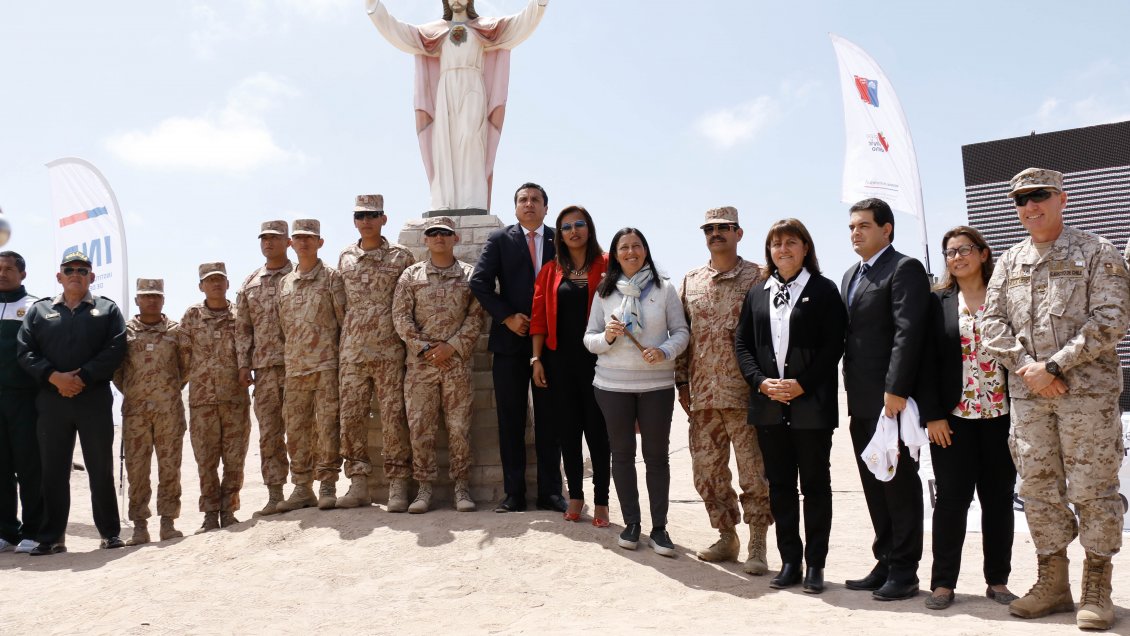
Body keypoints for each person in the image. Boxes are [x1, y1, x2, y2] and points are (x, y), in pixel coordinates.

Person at [982, 168, 1130, 630]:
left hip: (1086, 399)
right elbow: (991, 325)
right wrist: (1030, 369)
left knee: (1092, 490)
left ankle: (1096, 587)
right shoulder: (1008, 262)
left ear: (1061, 198)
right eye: (1021, 200)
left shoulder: (1097, 252)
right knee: (1037, 490)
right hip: (1030, 400)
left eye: (1039, 196)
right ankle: (1053, 582)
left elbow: (1111, 318)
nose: (1030, 207)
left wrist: (1053, 367)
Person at [735, 218, 846, 594]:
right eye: (776, 243)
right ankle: (790, 562)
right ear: (768, 251)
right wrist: (761, 382)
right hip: (768, 406)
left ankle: (815, 564)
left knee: (815, 486)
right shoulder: (757, 293)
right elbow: (743, 346)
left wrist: (803, 384)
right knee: (780, 486)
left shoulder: (824, 290)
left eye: (791, 242)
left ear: (805, 248)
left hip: (810, 405)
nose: (783, 249)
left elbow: (834, 346)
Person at [915, 226, 1017, 610]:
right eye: (949, 252)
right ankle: (942, 584)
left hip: (1002, 418)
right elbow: (925, 363)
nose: (956, 257)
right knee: (952, 501)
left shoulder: (1005, 298)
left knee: (998, 500)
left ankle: (999, 581)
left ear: (983, 253)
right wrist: (933, 416)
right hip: (953, 421)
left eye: (964, 249)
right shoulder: (936, 301)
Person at [366, 0, 549, 211]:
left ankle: (473, 200)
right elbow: (399, 32)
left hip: (472, 87)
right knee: (444, 144)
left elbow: (520, 24)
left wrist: (539, 4)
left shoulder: (485, 29)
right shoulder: (434, 33)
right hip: (445, 90)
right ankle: (444, 202)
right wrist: (374, 7)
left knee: (471, 139)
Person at [839, 198, 929, 600]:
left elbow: (907, 333)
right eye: (852, 227)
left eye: (864, 226)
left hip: (891, 401)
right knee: (875, 482)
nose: (856, 233)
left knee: (899, 485)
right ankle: (886, 559)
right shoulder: (850, 275)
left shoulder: (904, 268)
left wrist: (895, 390)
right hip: (860, 401)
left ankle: (905, 570)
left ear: (886, 229)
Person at [675, 207, 772, 575]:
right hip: (702, 398)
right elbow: (684, 335)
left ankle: (758, 542)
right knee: (707, 473)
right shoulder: (691, 281)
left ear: (738, 232)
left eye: (723, 228)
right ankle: (726, 535)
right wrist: (681, 383)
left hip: (745, 396)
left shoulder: (758, 277)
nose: (716, 234)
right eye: (710, 229)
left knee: (753, 473)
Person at [584, 228, 689, 557]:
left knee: (657, 457)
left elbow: (682, 332)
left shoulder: (665, 288)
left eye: (636, 246)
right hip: (612, 386)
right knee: (622, 454)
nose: (631, 252)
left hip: (656, 386)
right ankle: (631, 523)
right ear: (615, 254)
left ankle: (660, 529)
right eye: (624, 247)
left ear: (645, 250)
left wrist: (664, 351)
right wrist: (609, 337)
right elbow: (589, 339)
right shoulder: (604, 291)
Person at [16, 250, 127, 554]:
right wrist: (54, 377)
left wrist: (83, 377)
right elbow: (25, 352)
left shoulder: (107, 310)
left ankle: (109, 532)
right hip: (52, 401)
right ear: (59, 276)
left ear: (91, 276)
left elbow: (116, 348)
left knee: (99, 467)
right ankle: (52, 537)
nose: (75, 273)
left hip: (93, 398)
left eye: (82, 269)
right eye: (69, 269)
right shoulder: (40, 311)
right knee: (52, 470)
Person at [470, 183, 565, 513]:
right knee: (510, 419)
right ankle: (513, 495)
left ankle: (551, 492)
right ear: (515, 208)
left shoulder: (560, 239)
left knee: (550, 420)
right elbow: (479, 282)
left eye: (535, 199)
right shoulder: (500, 240)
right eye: (523, 200)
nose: (529, 204)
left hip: (552, 345)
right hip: (510, 343)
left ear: (545, 207)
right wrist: (507, 317)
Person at [393, 216, 485, 513]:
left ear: (455, 238)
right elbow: (400, 317)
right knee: (421, 429)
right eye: (432, 234)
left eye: (445, 234)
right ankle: (424, 488)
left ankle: (461, 487)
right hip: (420, 367)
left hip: (456, 365)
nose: (439, 238)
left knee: (459, 428)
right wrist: (425, 348)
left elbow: (476, 317)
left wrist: (452, 347)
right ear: (425, 240)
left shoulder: (469, 275)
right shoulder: (411, 275)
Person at [530, 205, 611, 527]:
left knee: (598, 432)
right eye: (566, 227)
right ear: (559, 234)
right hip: (558, 361)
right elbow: (538, 317)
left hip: (600, 362)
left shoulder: (607, 264)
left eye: (579, 224)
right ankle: (575, 495)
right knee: (568, 432)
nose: (573, 231)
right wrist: (536, 358)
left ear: (589, 228)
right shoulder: (550, 270)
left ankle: (603, 500)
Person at [337, 195, 416, 511]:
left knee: (394, 417)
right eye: (360, 215)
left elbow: (411, 301)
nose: (366, 221)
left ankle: (398, 484)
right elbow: (339, 304)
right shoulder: (345, 257)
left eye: (373, 215)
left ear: (384, 219)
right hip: (353, 353)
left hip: (389, 351)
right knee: (352, 418)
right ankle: (357, 483)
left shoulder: (401, 257)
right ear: (355, 220)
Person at [275, 219, 347, 513]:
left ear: (320, 242)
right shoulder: (284, 283)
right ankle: (302, 487)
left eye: (310, 238)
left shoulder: (332, 278)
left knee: (327, 426)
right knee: (296, 429)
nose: (303, 243)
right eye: (298, 238)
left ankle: (327, 484)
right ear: (291, 243)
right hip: (295, 368)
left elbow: (344, 320)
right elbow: (283, 326)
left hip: (326, 365)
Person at [113, 278, 187, 545]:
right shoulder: (125, 333)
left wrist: (165, 391)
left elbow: (184, 368)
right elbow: (117, 373)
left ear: (163, 300)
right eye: (146, 296)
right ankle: (139, 526)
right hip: (135, 413)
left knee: (170, 468)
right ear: (137, 301)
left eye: (156, 296)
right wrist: (138, 392)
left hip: (169, 412)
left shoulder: (176, 332)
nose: (151, 300)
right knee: (137, 469)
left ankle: (168, 522)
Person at [179, 264, 252, 534]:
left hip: (235, 399)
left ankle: (229, 511)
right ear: (201, 286)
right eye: (209, 281)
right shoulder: (192, 316)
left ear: (227, 283)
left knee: (235, 459)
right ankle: (210, 514)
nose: (215, 284)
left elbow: (248, 348)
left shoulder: (239, 315)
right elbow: (182, 356)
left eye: (220, 279)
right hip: (203, 402)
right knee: (206, 461)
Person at [235, 220, 294, 517]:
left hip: (298, 365)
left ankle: (304, 488)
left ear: (288, 242)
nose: (268, 243)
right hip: (265, 371)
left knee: (302, 429)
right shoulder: (250, 283)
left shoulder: (300, 276)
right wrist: (244, 364)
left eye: (275, 238)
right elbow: (243, 328)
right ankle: (274, 493)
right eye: (264, 238)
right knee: (270, 433)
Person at [0, 250, 42, 554]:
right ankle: (6, 531)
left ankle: (33, 530)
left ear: (22, 274)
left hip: (24, 399)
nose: (2, 273)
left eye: (9, 269)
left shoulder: (34, 309)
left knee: (29, 466)